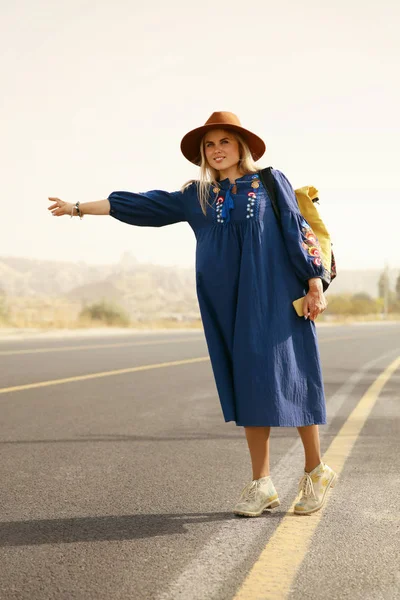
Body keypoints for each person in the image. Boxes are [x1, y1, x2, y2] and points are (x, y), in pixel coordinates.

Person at [48, 111, 338, 516]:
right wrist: (77, 207)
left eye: (224, 142)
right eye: (209, 145)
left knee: (293, 378)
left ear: (242, 147)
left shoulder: (270, 183)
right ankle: (262, 484)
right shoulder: (196, 197)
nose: (217, 150)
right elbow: (139, 205)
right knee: (250, 385)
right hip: (226, 303)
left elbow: (295, 229)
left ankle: (315, 470)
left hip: (274, 295)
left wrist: (313, 285)